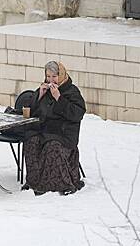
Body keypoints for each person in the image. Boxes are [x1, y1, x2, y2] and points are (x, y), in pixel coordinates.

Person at [22, 61, 86, 196]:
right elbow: (31, 109)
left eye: (54, 76)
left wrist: (59, 98)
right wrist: (39, 95)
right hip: (45, 131)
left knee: (52, 146)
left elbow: (77, 114)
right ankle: (34, 182)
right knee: (31, 141)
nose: (51, 80)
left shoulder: (72, 91)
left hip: (64, 134)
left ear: (61, 75)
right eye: (48, 76)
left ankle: (61, 183)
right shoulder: (44, 89)